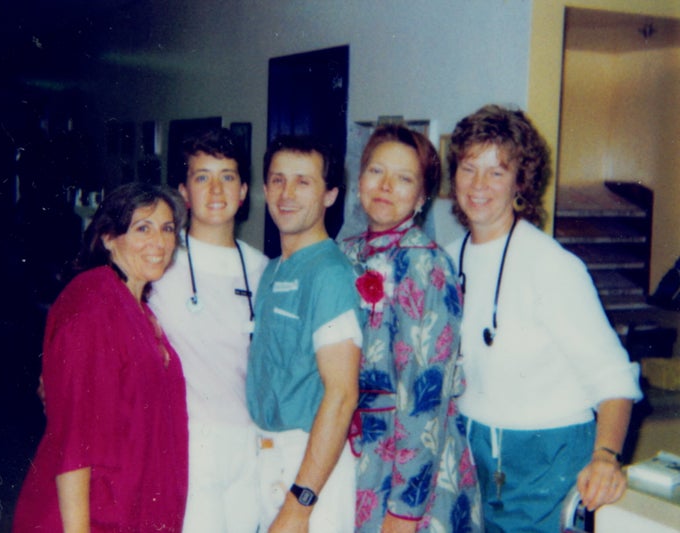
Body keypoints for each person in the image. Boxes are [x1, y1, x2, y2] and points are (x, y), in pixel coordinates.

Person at [444, 104, 643, 532]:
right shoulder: (446, 258)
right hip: (472, 448)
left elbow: (613, 379)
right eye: (468, 168)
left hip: (548, 459)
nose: (479, 185)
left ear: (520, 181)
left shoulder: (552, 265)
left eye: (497, 172)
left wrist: (605, 457)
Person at [13, 182, 189, 532]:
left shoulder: (135, 305)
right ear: (109, 236)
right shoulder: (93, 303)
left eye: (167, 228)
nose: (160, 242)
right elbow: (73, 442)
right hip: (87, 516)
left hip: (127, 509)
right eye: (143, 228)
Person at [341, 124, 482, 533]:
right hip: (357, 453)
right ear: (360, 179)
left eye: (404, 179)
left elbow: (425, 399)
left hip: (411, 469)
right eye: (376, 171)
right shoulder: (345, 254)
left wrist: (405, 511)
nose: (386, 186)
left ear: (421, 198)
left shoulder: (426, 264)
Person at [148, 128, 268, 532]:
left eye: (227, 176)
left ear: (244, 190)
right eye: (202, 177)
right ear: (183, 190)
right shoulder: (160, 261)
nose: (216, 189)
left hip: (249, 444)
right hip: (187, 443)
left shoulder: (263, 269)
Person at [245, 135, 363, 533]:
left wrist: (301, 503)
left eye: (303, 182)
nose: (287, 194)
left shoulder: (329, 274)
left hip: (310, 470)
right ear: (264, 189)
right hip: (268, 458)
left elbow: (342, 394)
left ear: (330, 195)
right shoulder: (273, 270)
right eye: (278, 180)